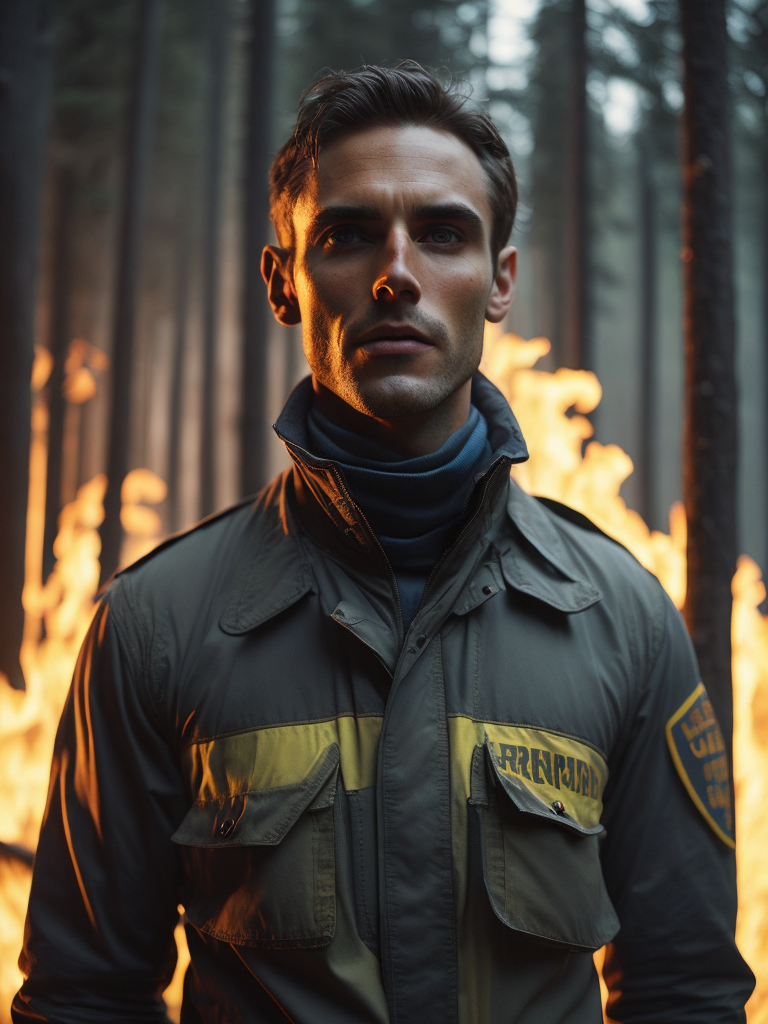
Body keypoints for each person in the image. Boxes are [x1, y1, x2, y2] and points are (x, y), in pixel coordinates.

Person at [13, 62, 753, 1024]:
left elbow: (684, 993)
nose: (395, 272)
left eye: (443, 233)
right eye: (348, 234)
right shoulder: (153, 627)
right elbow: (86, 1000)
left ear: (499, 281)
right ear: (284, 281)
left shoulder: (622, 619)